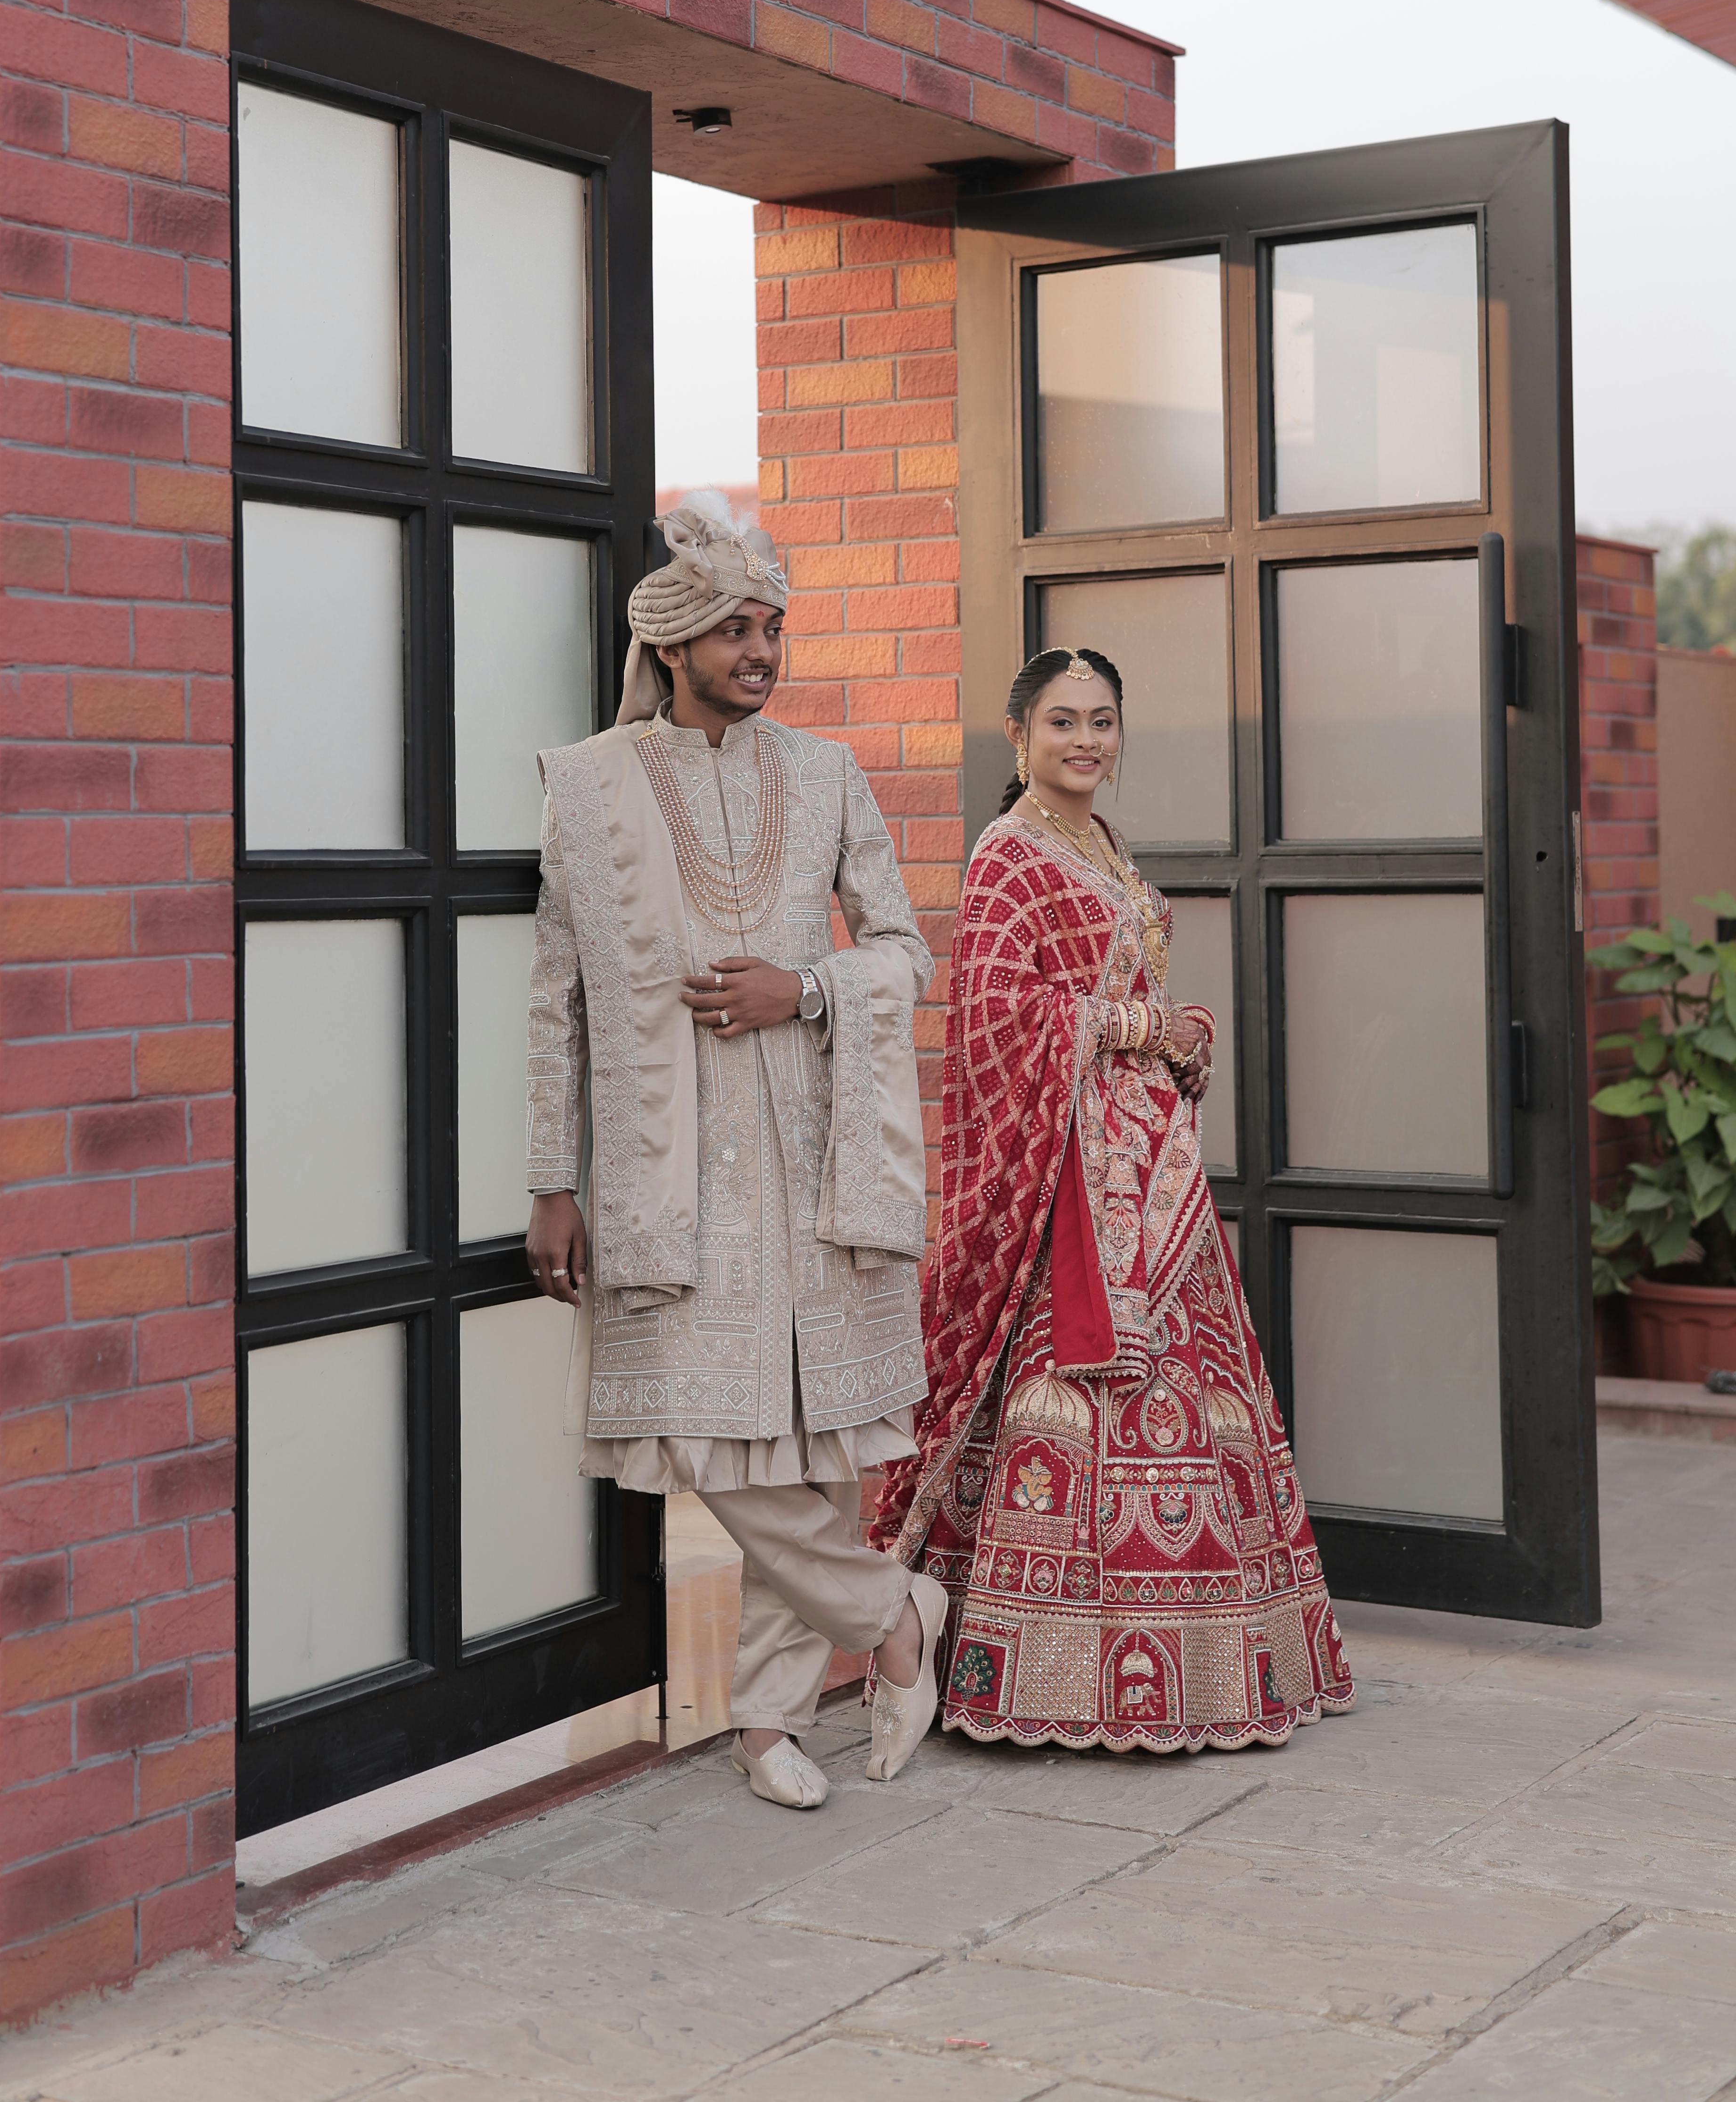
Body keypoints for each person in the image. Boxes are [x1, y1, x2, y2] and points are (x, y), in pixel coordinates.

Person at [524, 501, 950, 1808]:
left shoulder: (826, 775)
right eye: (736, 629)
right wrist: (553, 1178)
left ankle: (765, 1724)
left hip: (818, 1158)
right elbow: (559, 996)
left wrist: (806, 991)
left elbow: (906, 953)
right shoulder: (591, 784)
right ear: (673, 644)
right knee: (704, 1437)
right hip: (670, 1173)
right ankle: (895, 1615)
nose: (761, 650)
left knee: (811, 1455)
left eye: (771, 629)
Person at [871, 646, 1353, 1751]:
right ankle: (1041, 1670)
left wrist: (1180, 1038)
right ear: (1019, 736)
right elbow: (995, 1015)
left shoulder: (1098, 845)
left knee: (1188, 1392)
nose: (1084, 741)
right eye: (1060, 722)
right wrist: (1142, 1029)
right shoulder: (1007, 853)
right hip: (1069, 1181)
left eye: (1100, 721)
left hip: (1150, 1163)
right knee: (1081, 1393)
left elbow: (1113, 990)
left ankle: (1201, 1666)